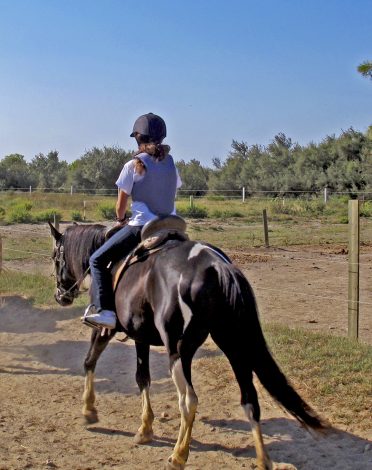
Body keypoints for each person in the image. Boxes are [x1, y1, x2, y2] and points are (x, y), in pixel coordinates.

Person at [83, 112, 182, 329]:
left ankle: (106, 312)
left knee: (97, 260)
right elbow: (172, 189)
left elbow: (120, 207)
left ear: (138, 137)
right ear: (162, 137)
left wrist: (120, 219)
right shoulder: (172, 163)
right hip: (173, 225)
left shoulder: (132, 166)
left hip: (142, 227)